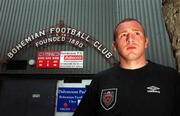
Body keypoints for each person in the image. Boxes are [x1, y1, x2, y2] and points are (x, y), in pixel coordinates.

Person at [73, 18, 180, 116]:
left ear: (146, 42)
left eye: (137, 33)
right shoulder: (100, 80)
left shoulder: (170, 77)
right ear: (114, 46)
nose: (130, 39)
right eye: (123, 35)